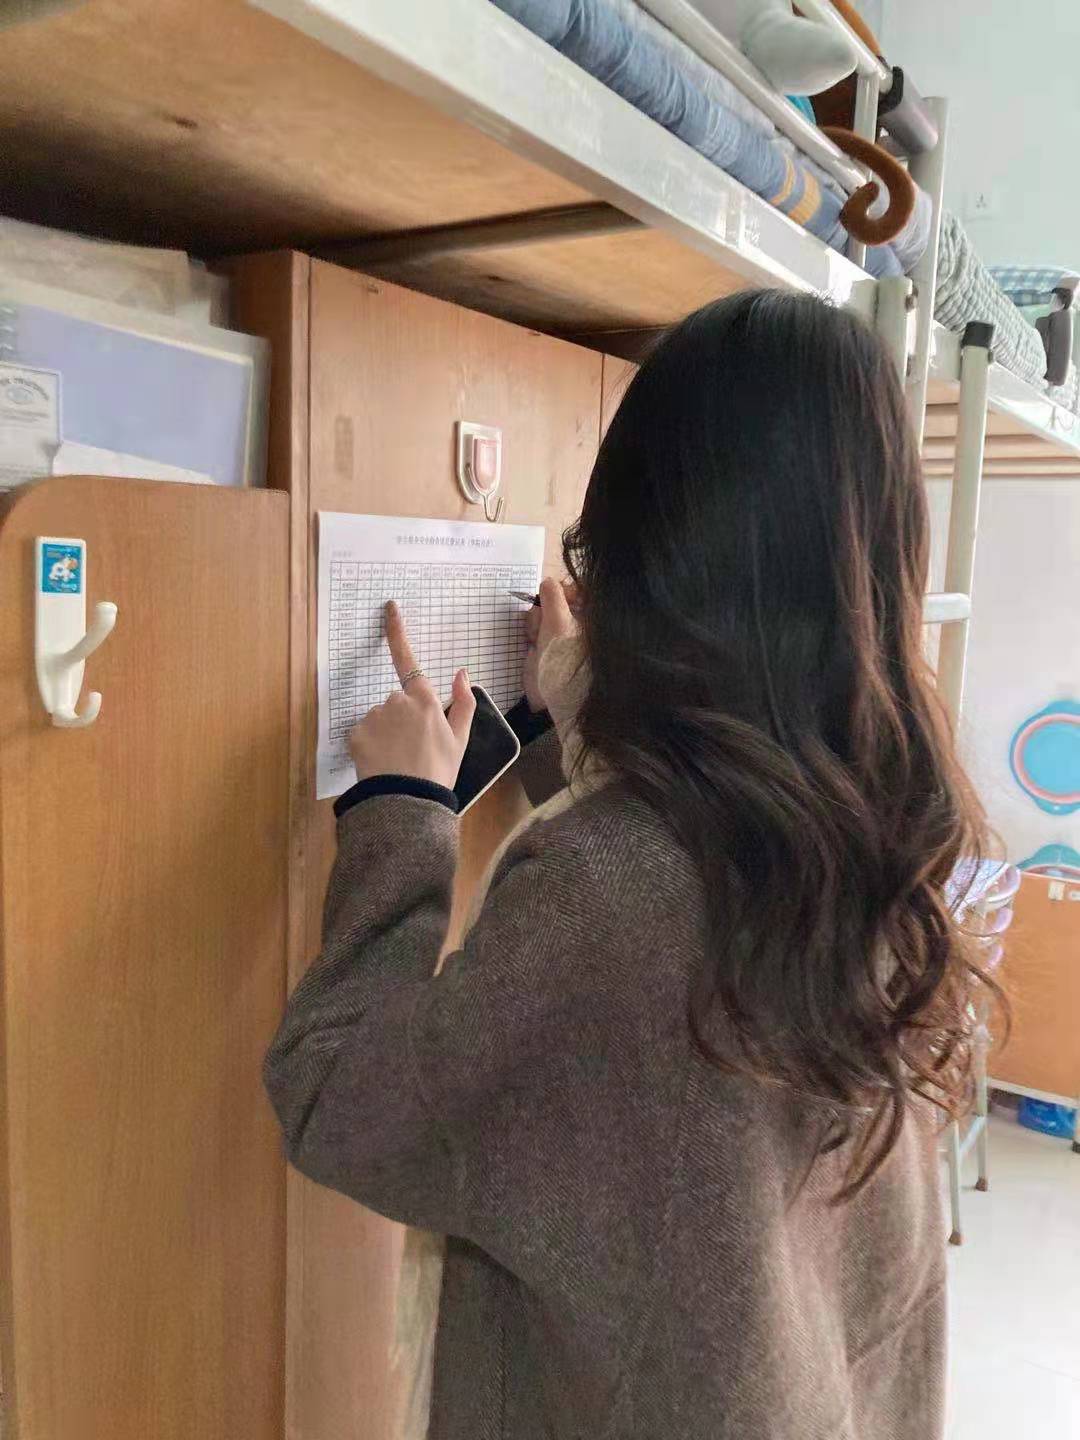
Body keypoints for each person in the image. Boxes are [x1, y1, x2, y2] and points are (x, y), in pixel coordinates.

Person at [265, 291, 997, 1440]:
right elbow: (689, 854)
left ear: (646, 550)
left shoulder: (605, 895)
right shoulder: (866, 819)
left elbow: (338, 1099)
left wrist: (399, 810)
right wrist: (578, 691)